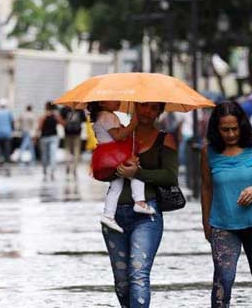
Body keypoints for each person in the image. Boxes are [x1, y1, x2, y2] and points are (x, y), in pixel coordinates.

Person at [201, 101, 252, 308]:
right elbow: (206, 187)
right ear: (216, 129)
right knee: (223, 280)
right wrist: (206, 223)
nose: (230, 134)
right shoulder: (208, 151)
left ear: (242, 126)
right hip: (223, 226)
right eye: (225, 129)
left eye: (234, 129)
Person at [104, 102, 178, 308]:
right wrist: (118, 167)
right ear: (134, 108)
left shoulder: (166, 139)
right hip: (114, 215)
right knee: (121, 281)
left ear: (159, 112)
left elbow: (170, 177)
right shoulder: (118, 137)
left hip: (147, 215)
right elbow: (100, 173)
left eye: (153, 108)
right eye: (143, 106)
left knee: (138, 275)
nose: (147, 111)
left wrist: (137, 172)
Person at [89, 101, 155, 233]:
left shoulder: (99, 117)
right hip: (114, 154)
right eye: (113, 99)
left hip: (105, 155)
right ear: (102, 103)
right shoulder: (108, 116)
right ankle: (140, 202)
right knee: (136, 172)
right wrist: (133, 124)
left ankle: (108, 215)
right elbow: (119, 136)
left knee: (116, 185)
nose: (118, 101)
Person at [36, 102, 63, 180]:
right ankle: (52, 171)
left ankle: (45, 170)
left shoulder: (43, 116)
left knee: (45, 155)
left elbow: (39, 127)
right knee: (52, 154)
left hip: (44, 137)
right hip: (53, 137)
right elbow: (62, 124)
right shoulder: (55, 116)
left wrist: (36, 135)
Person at [60, 106, 85, 178]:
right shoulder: (80, 109)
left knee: (67, 150)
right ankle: (74, 168)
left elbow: (61, 120)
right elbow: (84, 120)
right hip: (77, 134)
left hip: (67, 133)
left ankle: (68, 165)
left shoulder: (65, 109)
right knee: (76, 151)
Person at [0, 98, 14, 165]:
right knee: (7, 148)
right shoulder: (8, 112)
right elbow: (12, 121)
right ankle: (7, 160)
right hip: (7, 133)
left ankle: (0, 158)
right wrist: (12, 129)